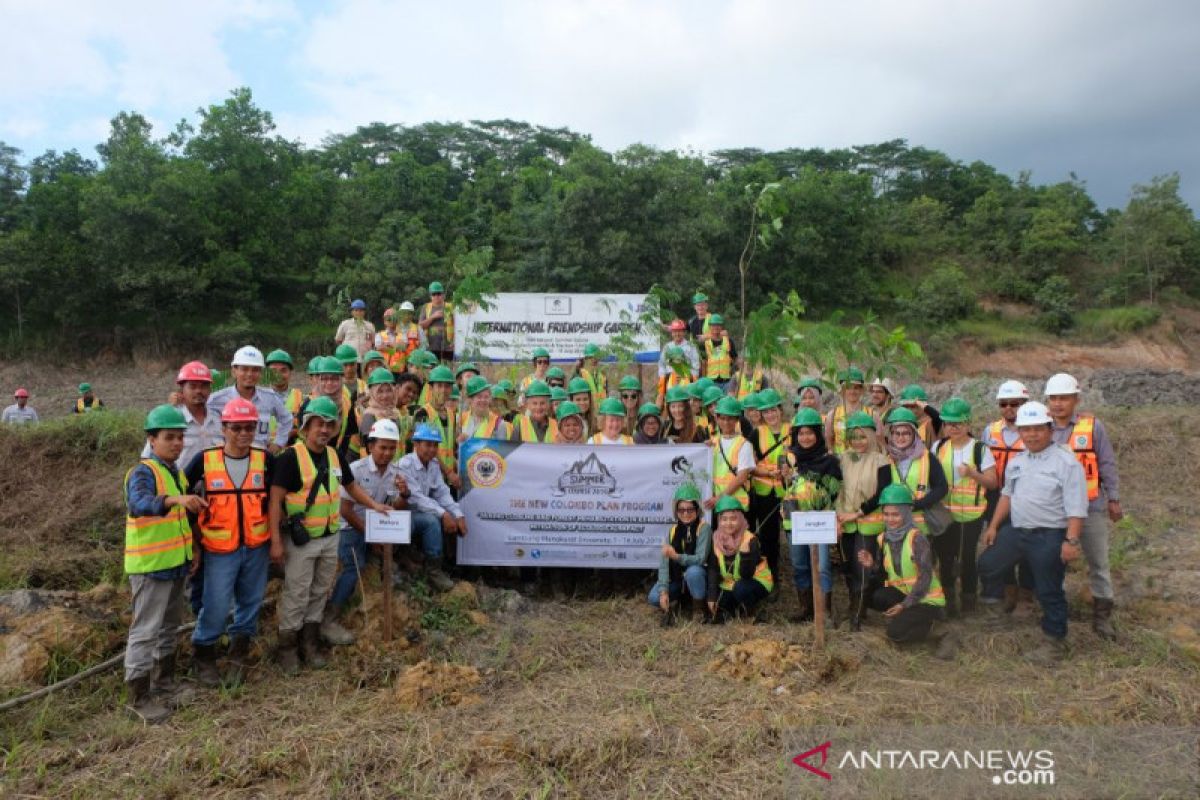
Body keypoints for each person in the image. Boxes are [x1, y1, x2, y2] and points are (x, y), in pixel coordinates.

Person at [268, 396, 392, 675]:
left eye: (329, 425)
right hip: (302, 541)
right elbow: (275, 501)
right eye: (318, 424)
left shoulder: (334, 456)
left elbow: (350, 485)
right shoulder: (290, 457)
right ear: (306, 426)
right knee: (297, 593)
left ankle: (309, 644)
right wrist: (275, 541)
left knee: (320, 590)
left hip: (329, 536)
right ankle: (287, 648)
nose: (323, 430)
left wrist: (373, 505)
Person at [978, 401, 1088, 665]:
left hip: (1049, 535)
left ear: (1049, 430)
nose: (1031, 434)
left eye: (1038, 429)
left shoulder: (1066, 462)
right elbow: (1006, 495)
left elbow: (1077, 506)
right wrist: (993, 526)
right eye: (1026, 430)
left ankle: (1054, 643)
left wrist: (1071, 541)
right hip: (1017, 531)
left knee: (1048, 588)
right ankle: (994, 615)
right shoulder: (1018, 460)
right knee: (987, 564)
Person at [122, 405, 207, 723]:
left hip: (175, 564)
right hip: (150, 566)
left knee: (168, 628)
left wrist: (194, 549)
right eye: (169, 437)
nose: (177, 443)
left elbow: (182, 520)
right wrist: (174, 500)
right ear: (152, 440)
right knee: (145, 631)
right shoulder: (143, 472)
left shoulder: (176, 472)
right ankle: (138, 698)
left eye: (180, 437)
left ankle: (165, 684)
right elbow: (139, 504)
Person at [184, 398, 274, 688]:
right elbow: (183, 499)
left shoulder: (265, 460)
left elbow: (277, 500)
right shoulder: (204, 460)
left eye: (249, 428)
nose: (243, 434)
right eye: (237, 428)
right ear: (224, 428)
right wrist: (194, 544)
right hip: (219, 550)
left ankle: (238, 652)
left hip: (256, 546)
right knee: (217, 604)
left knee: (250, 601)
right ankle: (204, 654)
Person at [326, 419, 418, 646]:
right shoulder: (355, 470)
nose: (387, 453)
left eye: (392, 448)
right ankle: (330, 617)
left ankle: (393, 602)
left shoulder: (396, 474)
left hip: (377, 526)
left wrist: (404, 496)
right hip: (351, 526)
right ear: (370, 447)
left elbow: (394, 508)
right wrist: (371, 535)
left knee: (390, 558)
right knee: (352, 567)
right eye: (382, 447)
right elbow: (345, 510)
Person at [1045, 372, 1123, 640]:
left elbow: (1107, 463)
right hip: (1055, 510)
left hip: (1090, 508)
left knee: (1098, 562)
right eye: (1053, 398)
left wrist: (1113, 498)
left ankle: (1102, 616)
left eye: (1064, 398)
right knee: (1054, 562)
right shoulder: (1041, 428)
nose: (1058, 403)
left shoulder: (1092, 427)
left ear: (1075, 400)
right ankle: (1056, 610)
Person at [856, 485, 954, 656]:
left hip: (926, 599)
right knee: (876, 597)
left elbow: (925, 579)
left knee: (895, 634)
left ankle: (938, 629)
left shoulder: (918, 539)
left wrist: (904, 605)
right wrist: (871, 564)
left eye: (896, 514)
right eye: (886, 514)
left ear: (907, 513)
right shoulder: (884, 538)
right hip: (906, 593)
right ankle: (911, 619)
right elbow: (883, 572)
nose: (890, 519)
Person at [930, 397, 997, 617]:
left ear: (968, 423)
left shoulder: (979, 449)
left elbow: (992, 482)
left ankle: (969, 601)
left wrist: (972, 474)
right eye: (948, 423)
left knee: (968, 558)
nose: (953, 428)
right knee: (946, 557)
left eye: (957, 423)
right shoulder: (938, 447)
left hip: (971, 516)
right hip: (944, 515)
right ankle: (948, 600)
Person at [779, 407, 842, 622]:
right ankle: (806, 608)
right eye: (801, 433)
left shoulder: (830, 461)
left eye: (810, 433)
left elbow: (834, 492)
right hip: (793, 521)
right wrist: (785, 476)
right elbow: (784, 489)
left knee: (822, 566)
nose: (805, 438)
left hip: (818, 522)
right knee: (800, 566)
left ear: (817, 434)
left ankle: (823, 611)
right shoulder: (787, 459)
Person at [981, 379, 1034, 614]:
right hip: (996, 496)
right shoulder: (990, 431)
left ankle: (1026, 593)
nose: (1009, 408)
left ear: (1024, 403)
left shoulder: (1034, 431)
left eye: (1015, 403)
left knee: (1026, 545)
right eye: (1004, 404)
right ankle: (1006, 589)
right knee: (999, 543)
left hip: (1026, 498)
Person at [836, 411, 890, 631]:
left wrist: (858, 513)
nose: (858, 441)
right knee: (848, 566)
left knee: (862, 568)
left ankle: (857, 615)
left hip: (868, 523)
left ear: (870, 435)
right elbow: (838, 490)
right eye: (854, 437)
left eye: (862, 436)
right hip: (845, 522)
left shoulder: (881, 460)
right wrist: (838, 519)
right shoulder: (843, 458)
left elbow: (881, 494)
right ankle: (855, 604)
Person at [398, 423, 468, 586]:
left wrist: (458, 514)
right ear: (416, 444)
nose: (432, 449)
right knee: (433, 521)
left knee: (453, 516)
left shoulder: (433, 464)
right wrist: (443, 514)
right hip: (404, 514)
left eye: (435, 445)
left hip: (421, 512)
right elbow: (416, 498)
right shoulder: (405, 465)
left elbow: (442, 492)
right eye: (427, 444)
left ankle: (448, 565)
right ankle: (433, 571)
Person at [206, 345, 293, 455]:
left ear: (261, 373)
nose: (249, 374)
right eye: (244, 369)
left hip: (261, 460)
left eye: (255, 370)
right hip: (228, 459)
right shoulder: (216, 400)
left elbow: (287, 419)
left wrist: (278, 443)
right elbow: (210, 432)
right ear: (234, 371)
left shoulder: (269, 397)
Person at [879, 407, 948, 536]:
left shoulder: (927, 457)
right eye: (896, 433)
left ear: (914, 434)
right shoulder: (885, 460)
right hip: (894, 528)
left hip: (922, 528)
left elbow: (942, 487)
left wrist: (917, 504)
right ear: (891, 435)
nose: (901, 437)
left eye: (906, 433)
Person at [649, 483, 711, 625]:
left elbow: (700, 558)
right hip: (677, 579)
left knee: (693, 571)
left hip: (697, 578)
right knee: (653, 597)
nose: (686, 513)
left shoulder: (704, 528)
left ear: (697, 509)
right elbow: (664, 564)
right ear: (676, 511)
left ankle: (699, 609)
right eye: (681, 509)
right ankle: (674, 603)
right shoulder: (672, 530)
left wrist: (677, 557)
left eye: (690, 509)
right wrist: (664, 591)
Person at [705, 496, 773, 622]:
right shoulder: (716, 539)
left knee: (741, 589)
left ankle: (750, 613)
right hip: (730, 584)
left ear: (741, 519)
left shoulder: (750, 539)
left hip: (755, 581)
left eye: (733, 518)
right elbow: (713, 570)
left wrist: (745, 555)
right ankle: (737, 608)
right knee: (721, 607)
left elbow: (746, 575)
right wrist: (712, 597)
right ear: (719, 521)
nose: (728, 523)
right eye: (724, 519)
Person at [748, 388, 789, 586]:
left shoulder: (793, 430)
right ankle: (771, 579)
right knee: (769, 537)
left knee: (792, 534)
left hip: (789, 492)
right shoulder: (757, 433)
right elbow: (750, 466)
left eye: (774, 410)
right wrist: (767, 473)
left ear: (780, 410)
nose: (771, 415)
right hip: (765, 493)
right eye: (766, 412)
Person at [298, 356, 361, 464]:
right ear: (319, 379)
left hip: (334, 458)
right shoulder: (309, 403)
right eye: (325, 379)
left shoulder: (347, 403)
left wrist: (338, 458)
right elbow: (302, 434)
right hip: (308, 458)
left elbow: (347, 434)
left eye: (334, 379)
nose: (329, 383)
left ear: (341, 380)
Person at [412, 365, 460, 492]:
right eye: (439, 385)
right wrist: (449, 472)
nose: (443, 390)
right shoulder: (422, 413)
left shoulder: (451, 414)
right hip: (428, 476)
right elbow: (424, 450)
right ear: (431, 388)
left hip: (446, 479)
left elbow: (450, 449)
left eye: (447, 386)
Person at [705, 396, 754, 514]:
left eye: (730, 419)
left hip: (736, 504)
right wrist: (702, 449)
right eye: (722, 418)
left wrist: (719, 498)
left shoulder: (744, 444)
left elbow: (741, 477)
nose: (726, 422)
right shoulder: (713, 443)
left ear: (737, 420)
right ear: (716, 418)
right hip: (718, 505)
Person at [824, 367, 865, 455]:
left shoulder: (871, 415)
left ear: (861, 390)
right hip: (841, 464)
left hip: (864, 464)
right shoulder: (833, 415)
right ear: (843, 390)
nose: (852, 391)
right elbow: (829, 443)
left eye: (856, 388)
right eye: (848, 387)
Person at [265, 350, 304, 441]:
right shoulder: (257, 398)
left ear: (291, 373)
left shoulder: (302, 399)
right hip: (264, 451)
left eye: (283, 370)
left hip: (293, 452)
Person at [458, 376, 511, 441]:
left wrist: (468, 441)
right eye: (479, 397)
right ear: (470, 399)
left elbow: (502, 450)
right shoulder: (460, 419)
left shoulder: (499, 425)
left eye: (486, 397)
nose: (483, 400)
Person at [358, 367, 400, 445]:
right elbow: (368, 446)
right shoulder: (369, 416)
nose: (385, 396)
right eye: (380, 391)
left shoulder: (395, 412)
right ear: (372, 393)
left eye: (389, 390)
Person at [419, 281, 454, 362]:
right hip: (431, 347)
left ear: (443, 295)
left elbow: (459, 326)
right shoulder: (426, 307)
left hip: (448, 348)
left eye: (438, 293)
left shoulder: (451, 307)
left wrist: (456, 342)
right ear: (430, 296)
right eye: (434, 294)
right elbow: (420, 326)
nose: (436, 296)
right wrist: (433, 317)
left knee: (447, 371)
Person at [700, 314, 737, 391]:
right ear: (709, 327)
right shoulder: (706, 343)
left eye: (718, 325)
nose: (716, 327)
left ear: (721, 326)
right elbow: (703, 363)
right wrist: (704, 380)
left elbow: (734, 358)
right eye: (713, 325)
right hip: (711, 381)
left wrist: (732, 372)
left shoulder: (728, 341)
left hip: (727, 381)